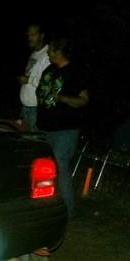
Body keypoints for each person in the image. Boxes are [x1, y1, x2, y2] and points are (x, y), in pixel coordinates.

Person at [36, 36, 90, 218]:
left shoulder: (75, 72)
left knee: (60, 162)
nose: (48, 54)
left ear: (59, 52)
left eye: (51, 50)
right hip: (44, 128)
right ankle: (47, 206)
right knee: (44, 167)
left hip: (65, 130)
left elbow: (83, 100)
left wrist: (63, 99)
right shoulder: (49, 70)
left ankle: (67, 211)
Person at [17, 24, 50, 131]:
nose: (29, 38)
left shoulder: (48, 54)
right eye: (28, 35)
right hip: (26, 107)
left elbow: (48, 83)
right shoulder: (34, 54)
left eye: (33, 35)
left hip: (35, 109)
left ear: (42, 36)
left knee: (33, 142)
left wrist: (28, 80)